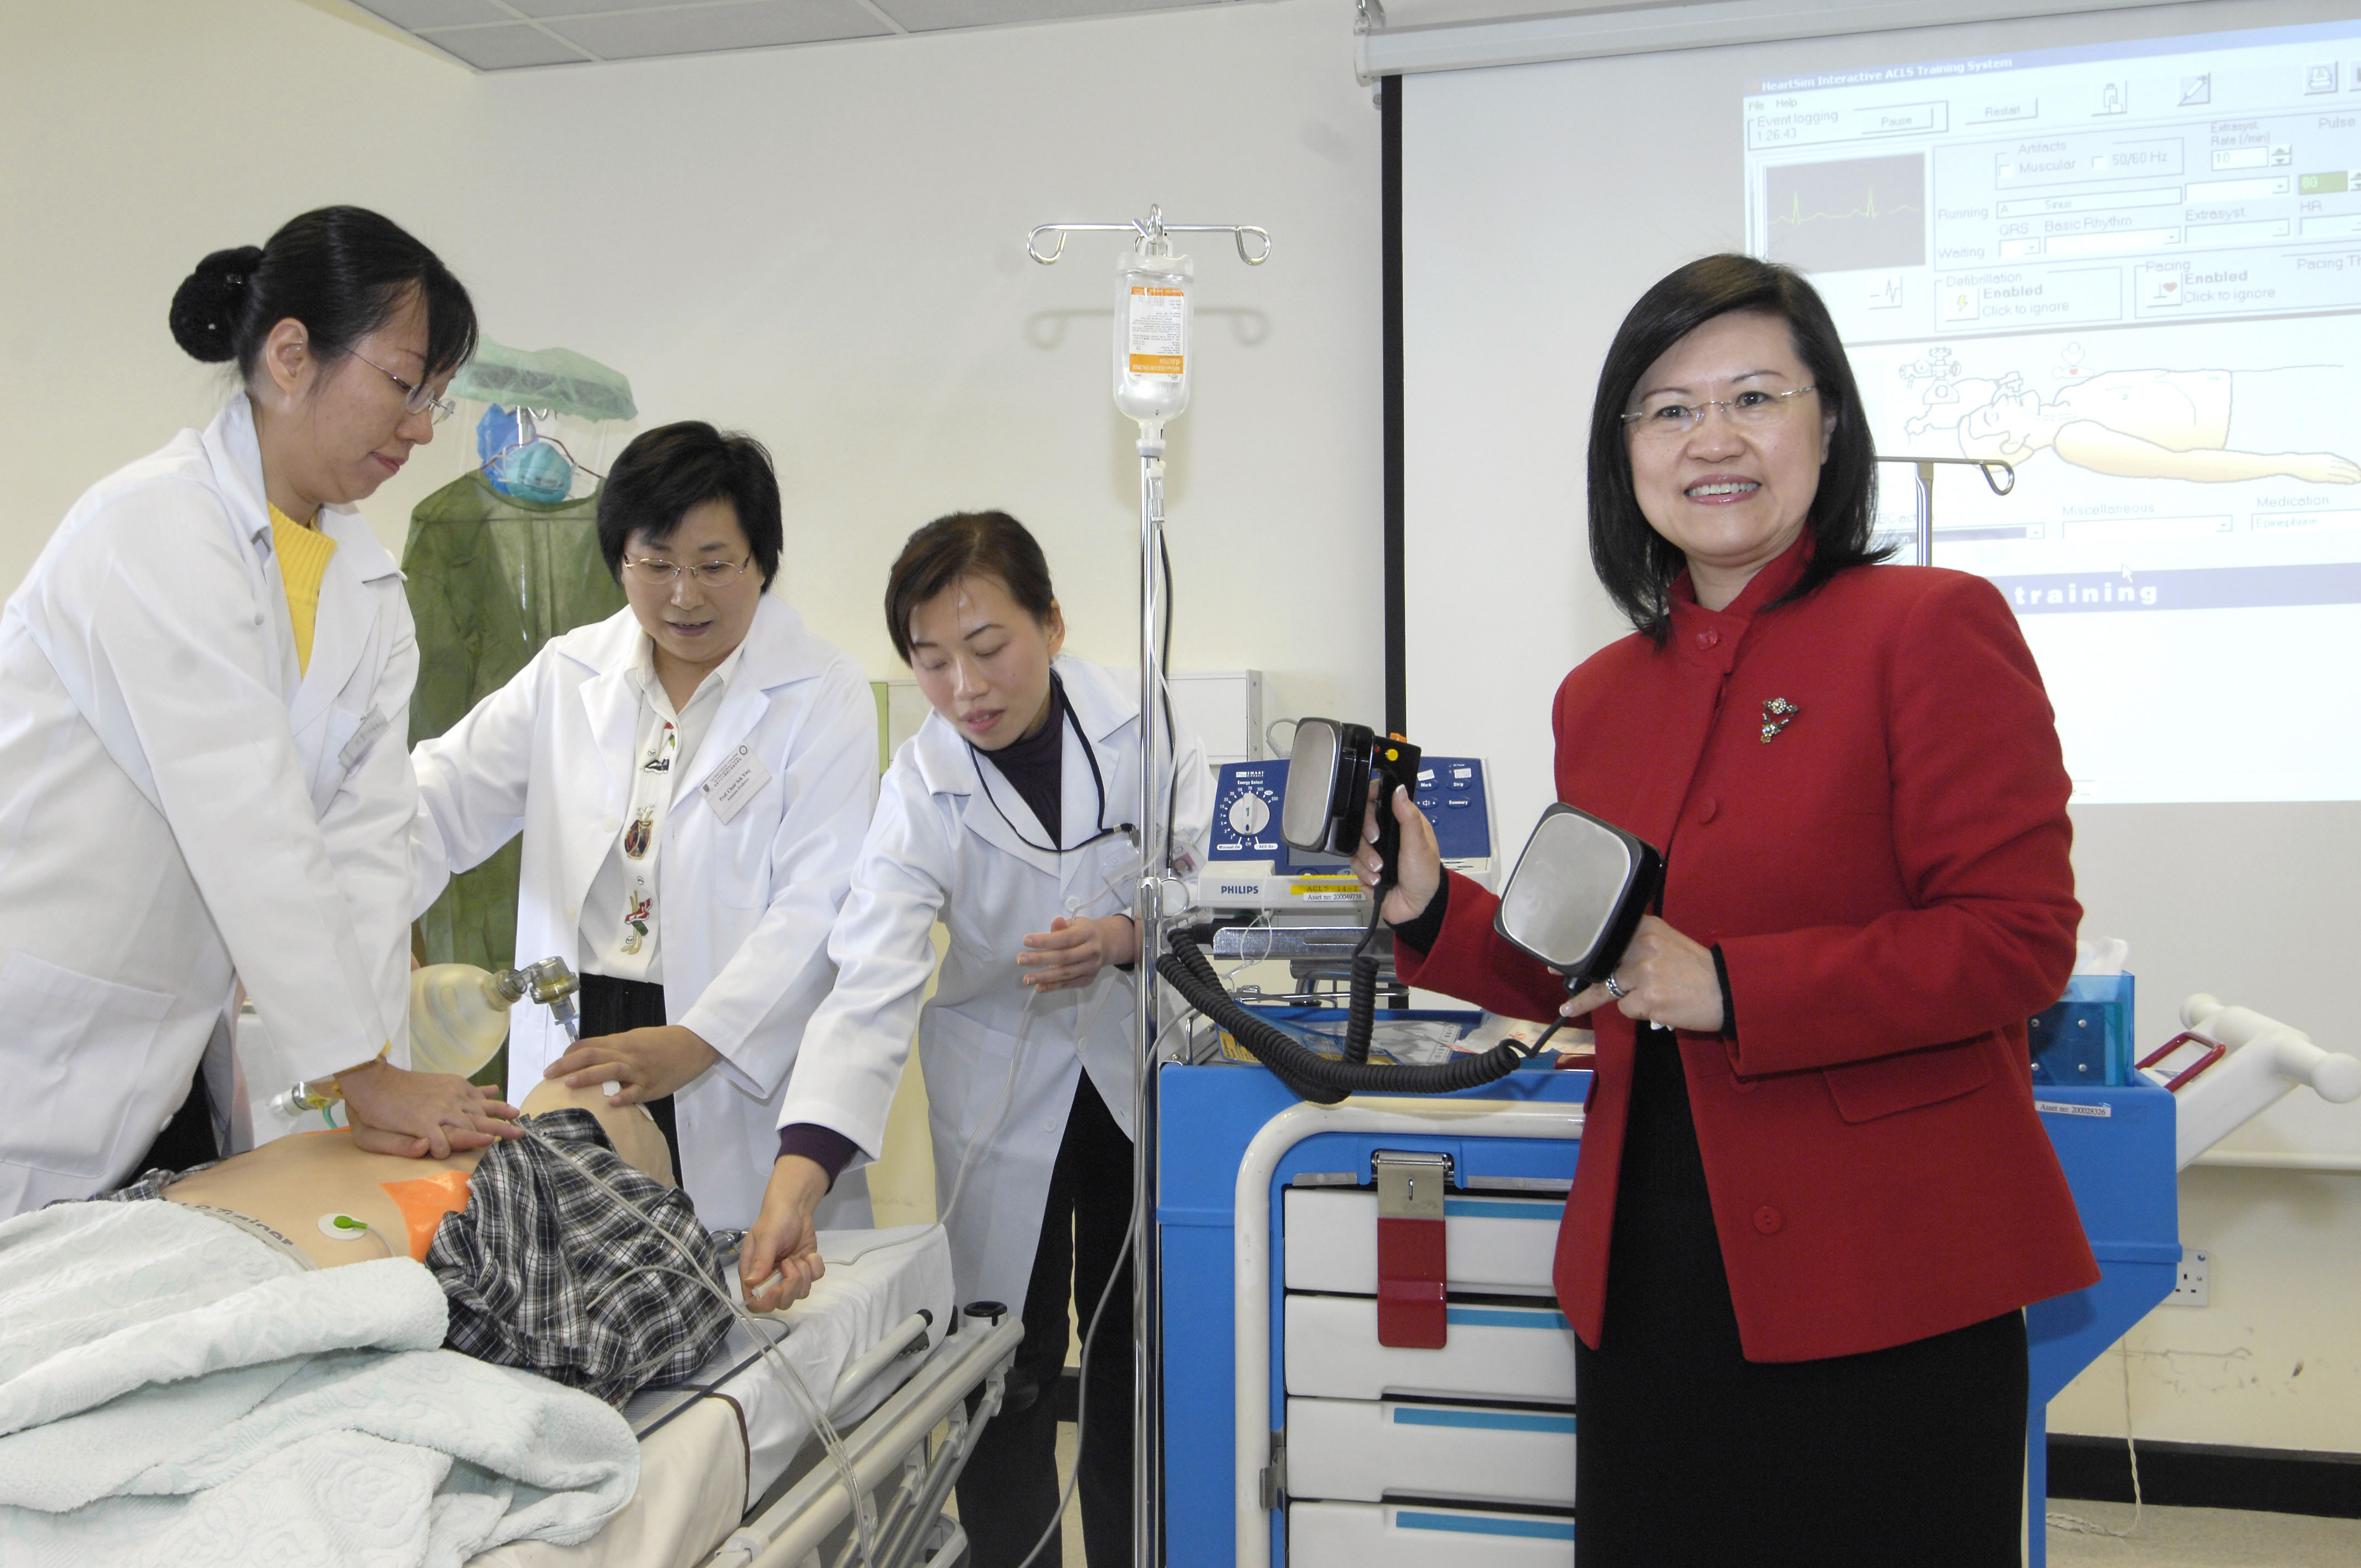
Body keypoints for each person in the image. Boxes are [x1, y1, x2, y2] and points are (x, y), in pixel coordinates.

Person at [1358, 255, 2100, 1564]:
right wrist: (1425, 906)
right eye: (1667, 408)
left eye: (1754, 395)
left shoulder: (1926, 626)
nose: (1712, 438)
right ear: (1624, 451)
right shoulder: (1601, 693)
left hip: (1884, 1276)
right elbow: (1579, 970)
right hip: (1646, 1269)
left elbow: (2016, 938)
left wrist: (1738, 985)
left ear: (1827, 425)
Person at [0, 206, 518, 1217]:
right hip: (36, 1027)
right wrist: (363, 1077)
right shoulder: (152, 529)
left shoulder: (371, 594)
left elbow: (365, 847)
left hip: (162, 1056)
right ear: (291, 356)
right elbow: (248, 813)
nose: (418, 427)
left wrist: (373, 1081)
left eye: (437, 401)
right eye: (406, 384)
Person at [739, 511, 1211, 1568]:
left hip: (1136, 1071)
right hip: (1002, 1087)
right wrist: (801, 1168)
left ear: (1050, 622)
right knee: (1009, 1360)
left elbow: (1208, 873)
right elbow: (871, 982)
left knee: (1140, 1352)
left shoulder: (1145, 719)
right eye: (931, 661)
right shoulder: (919, 794)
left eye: (989, 647)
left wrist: (1130, 936)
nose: (965, 688)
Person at [411, 422, 879, 1232]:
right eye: (655, 565)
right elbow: (438, 802)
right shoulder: (571, 673)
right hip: (582, 1026)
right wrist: (334, 908)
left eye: (712, 566)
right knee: (579, 1274)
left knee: (737, 1289)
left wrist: (701, 1038)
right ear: (619, 561)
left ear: (762, 562)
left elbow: (819, 905)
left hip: (727, 1037)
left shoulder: (821, 691)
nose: (683, 596)